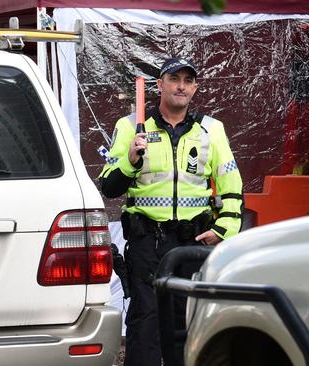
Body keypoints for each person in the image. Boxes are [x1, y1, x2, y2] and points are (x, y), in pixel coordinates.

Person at [98, 57, 244, 366]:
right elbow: (109, 187)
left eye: (187, 81)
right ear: (160, 85)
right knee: (145, 318)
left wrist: (225, 229)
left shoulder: (211, 130)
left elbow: (231, 182)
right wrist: (131, 159)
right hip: (146, 240)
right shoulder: (130, 127)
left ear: (195, 88)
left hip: (192, 241)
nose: (181, 86)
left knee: (187, 318)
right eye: (174, 79)